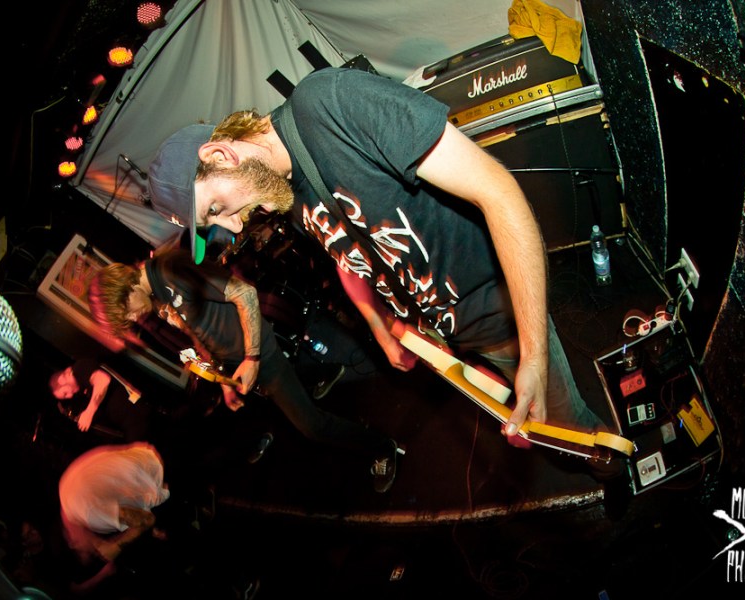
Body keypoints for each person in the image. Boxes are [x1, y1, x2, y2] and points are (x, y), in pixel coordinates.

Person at [149, 67, 623, 487]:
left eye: (216, 208)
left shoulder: (328, 104)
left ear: (221, 155)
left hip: (498, 316)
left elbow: (498, 192)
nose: (233, 227)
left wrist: (533, 356)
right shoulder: (284, 193)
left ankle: (617, 471)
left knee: (568, 428)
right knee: (534, 426)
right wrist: (382, 327)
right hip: (448, 336)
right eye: (215, 223)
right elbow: (346, 254)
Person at [89, 247, 401, 493]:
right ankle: (323, 373)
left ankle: (381, 445)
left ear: (127, 289)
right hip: (236, 361)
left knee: (312, 427)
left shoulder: (171, 268)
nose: (135, 318)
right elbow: (197, 329)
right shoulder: (156, 292)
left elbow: (245, 294)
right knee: (283, 397)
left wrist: (252, 358)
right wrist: (223, 378)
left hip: (259, 350)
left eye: (128, 313)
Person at [57, 443, 171, 592]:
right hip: (148, 451)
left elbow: (147, 519)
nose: (96, 548)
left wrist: (116, 546)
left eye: (89, 552)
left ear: (73, 543)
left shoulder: (89, 514)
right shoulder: (65, 490)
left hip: (161, 471)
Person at [49, 357, 154, 443]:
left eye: (65, 393)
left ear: (62, 380)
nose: (70, 396)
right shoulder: (82, 387)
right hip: (129, 422)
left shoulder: (79, 369)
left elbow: (103, 380)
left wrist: (89, 413)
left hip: (135, 411)